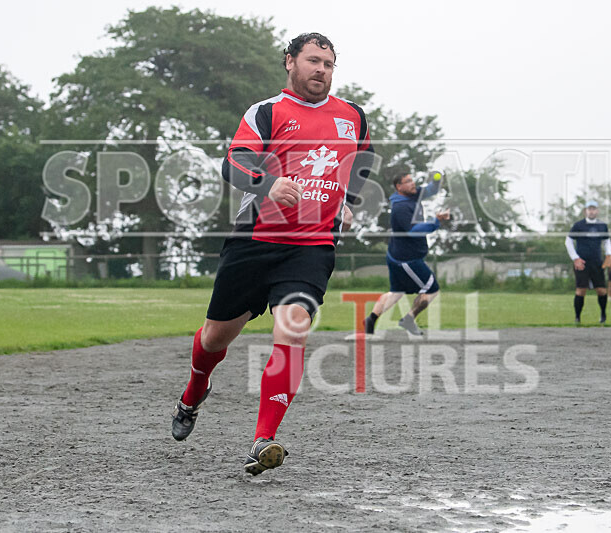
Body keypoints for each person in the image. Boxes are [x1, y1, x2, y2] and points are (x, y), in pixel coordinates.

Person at [170, 33, 374, 475]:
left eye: (329, 63)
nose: (322, 70)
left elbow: (362, 161)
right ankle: (194, 390)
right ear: (290, 62)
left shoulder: (353, 117)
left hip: (312, 247)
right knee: (213, 340)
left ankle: (263, 439)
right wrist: (268, 184)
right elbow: (234, 163)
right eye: (313, 60)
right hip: (254, 241)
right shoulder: (267, 112)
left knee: (293, 329)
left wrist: (348, 203)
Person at [363, 166, 449, 336]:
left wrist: (437, 180)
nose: (413, 183)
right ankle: (409, 319)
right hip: (407, 259)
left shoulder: (413, 196)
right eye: (408, 181)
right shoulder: (400, 208)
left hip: (397, 255)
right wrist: (435, 221)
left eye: (412, 180)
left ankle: (371, 320)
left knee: (396, 293)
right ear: (399, 187)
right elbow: (413, 230)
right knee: (432, 289)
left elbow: (431, 190)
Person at [565, 200, 611, 324]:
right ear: (585, 211)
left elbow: (607, 240)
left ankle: (603, 315)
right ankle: (577, 318)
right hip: (582, 263)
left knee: (601, 290)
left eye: (594, 209)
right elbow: (568, 241)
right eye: (589, 209)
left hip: (597, 262)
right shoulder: (579, 225)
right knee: (581, 290)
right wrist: (575, 258)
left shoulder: (602, 226)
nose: (591, 211)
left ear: (597, 211)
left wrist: (609, 254)